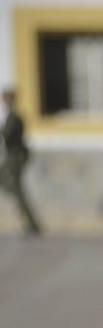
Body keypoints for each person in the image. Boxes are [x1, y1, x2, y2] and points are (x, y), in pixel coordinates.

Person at [0, 88, 42, 235]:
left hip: (16, 157)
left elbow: (8, 135)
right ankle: (29, 220)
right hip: (13, 156)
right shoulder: (11, 116)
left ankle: (31, 223)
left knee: (18, 192)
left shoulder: (15, 117)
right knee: (16, 190)